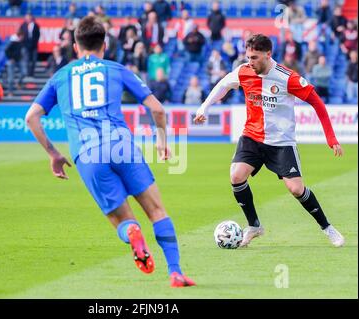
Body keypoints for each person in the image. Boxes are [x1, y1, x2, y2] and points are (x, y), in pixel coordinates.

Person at [25, 16, 196, 287]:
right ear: (104, 45)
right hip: (122, 146)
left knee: (124, 222)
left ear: (75, 47)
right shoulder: (116, 69)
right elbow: (157, 109)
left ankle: (132, 233)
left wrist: (53, 154)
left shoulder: (61, 76)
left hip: (88, 154)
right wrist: (161, 140)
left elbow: (32, 117)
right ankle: (175, 272)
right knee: (157, 212)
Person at [194, 34, 345, 248]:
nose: (250, 61)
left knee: (296, 189)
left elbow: (317, 102)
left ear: (268, 54)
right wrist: (204, 108)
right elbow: (223, 85)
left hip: (281, 142)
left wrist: (331, 138)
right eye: (248, 56)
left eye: (254, 57)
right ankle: (254, 225)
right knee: (236, 175)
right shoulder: (244, 71)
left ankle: (327, 227)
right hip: (252, 136)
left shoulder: (287, 77)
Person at [19, 13, 40, 77]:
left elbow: (37, 35)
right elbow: (20, 35)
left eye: (28, 17)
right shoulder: (23, 25)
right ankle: (27, 73)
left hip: (34, 46)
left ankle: (32, 73)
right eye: (26, 18)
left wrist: (34, 43)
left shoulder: (36, 26)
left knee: (34, 60)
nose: (27, 19)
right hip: (25, 45)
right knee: (26, 60)